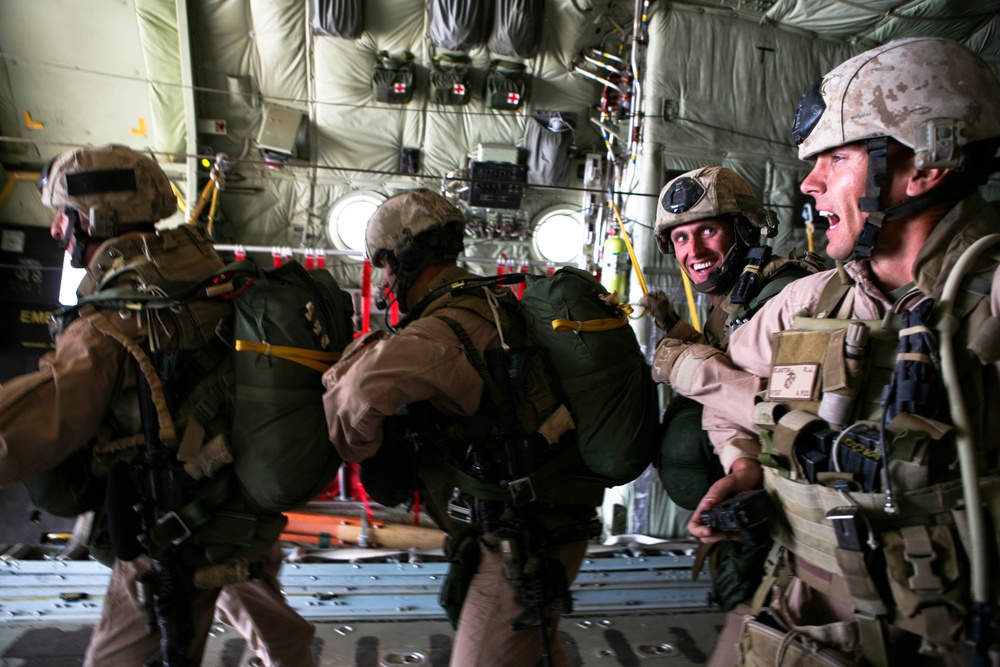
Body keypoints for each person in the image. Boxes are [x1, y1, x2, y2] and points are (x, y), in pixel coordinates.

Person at [655, 38, 1000, 665]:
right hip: (798, 616)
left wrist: (694, 371)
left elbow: (716, 383)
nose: (809, 184)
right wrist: (744, 467)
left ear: (925, 164)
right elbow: (728, 403)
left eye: (835, 159)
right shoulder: (809, 302)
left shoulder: (989, 301)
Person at [0, 144, 315, 666]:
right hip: (242, 514)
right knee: (270, 622)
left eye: (64, 216)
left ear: (96, 217)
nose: (57, 230)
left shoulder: (115, 316)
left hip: (174, 532)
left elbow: (35, 423)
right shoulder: (206, 271)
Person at [322, 188, 603, 667]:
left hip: (522, 537)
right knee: (536, 651)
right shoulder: (493, 304)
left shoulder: (439, 333)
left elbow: (351, 413)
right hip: (552, 520)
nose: (386, 280)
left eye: (386, 266)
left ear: (401, 260)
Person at [638, 166, 823, 609]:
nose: (693, 250)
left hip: (808, 526)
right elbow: (733, 362)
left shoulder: (792, 297)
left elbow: (799, 419)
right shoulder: (738, 300)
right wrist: (676, 328)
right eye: (680, 238)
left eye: (707, 231)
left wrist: (689, 367)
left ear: (743, 230)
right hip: (758, 502)